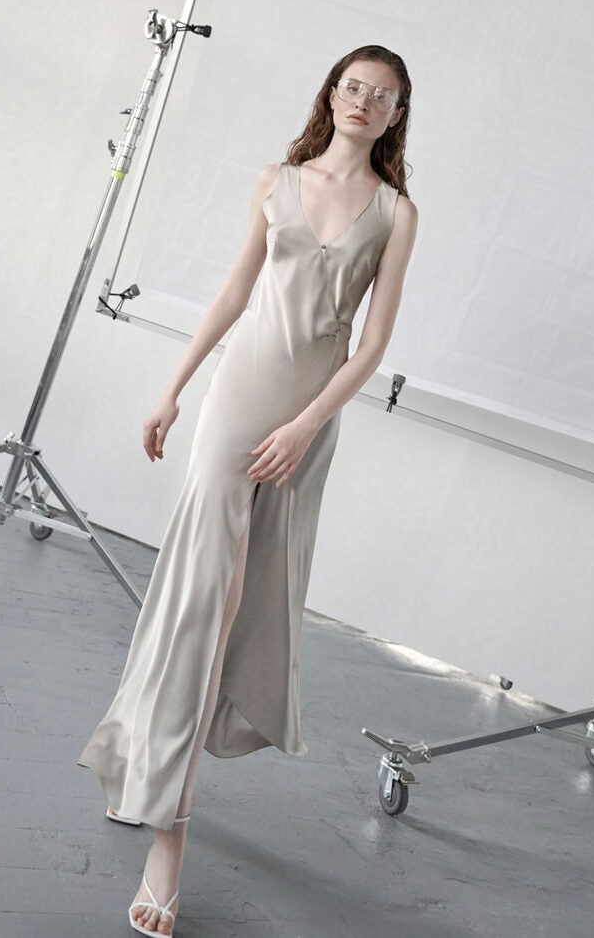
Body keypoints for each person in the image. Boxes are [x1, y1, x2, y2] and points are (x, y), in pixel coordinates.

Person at [79, 45, 418, 935]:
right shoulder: (277, 181)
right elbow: (234, 294)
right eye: (353, 86)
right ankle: (168, 838)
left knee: (245, 609)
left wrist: (306, 426)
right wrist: (172, 389)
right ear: (331, 95)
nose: (364, 101)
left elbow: (372, 346)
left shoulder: (395, 213)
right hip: (238, 400)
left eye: (382, 95)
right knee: (203, 603)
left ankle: (135, 759)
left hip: (308, 421)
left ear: (395, 116)